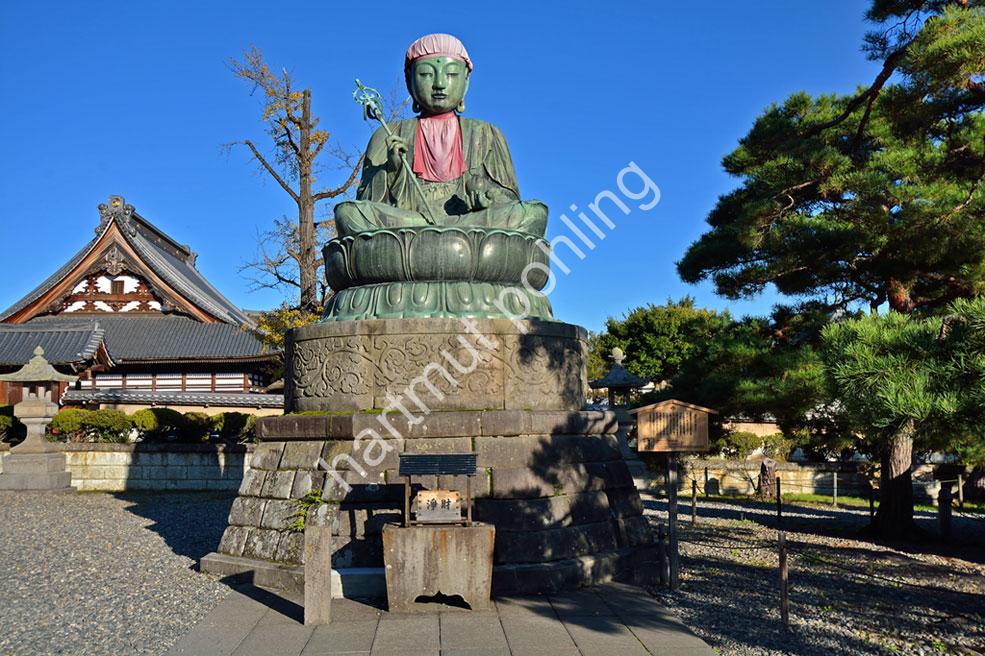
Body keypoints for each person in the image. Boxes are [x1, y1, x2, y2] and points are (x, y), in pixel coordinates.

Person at [335, 33, 548, 239]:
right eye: (426, 74)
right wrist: (392, 169)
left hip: (471, 224)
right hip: (409, 224)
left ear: (466, 81)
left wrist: (487, 199)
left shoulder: (487, 133)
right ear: (410, 82)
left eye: (451, 74)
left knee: (532, 213)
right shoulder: (388, 134)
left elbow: (507, 200)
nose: (439, 84)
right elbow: (369, 203)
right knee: (349, 214)